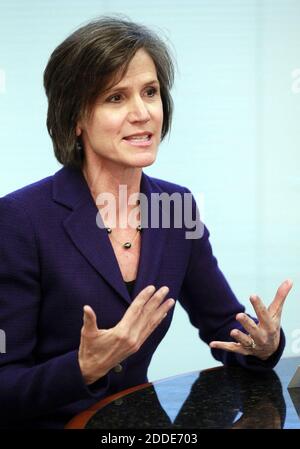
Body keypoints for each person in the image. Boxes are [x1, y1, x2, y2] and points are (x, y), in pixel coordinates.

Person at [0, 16, 292, 429]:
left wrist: (262, 345)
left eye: (150, 92)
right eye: (115, 98)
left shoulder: (174, 207)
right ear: (75, 117)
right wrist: (83, 368)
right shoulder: (20, 220)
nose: (142, 113)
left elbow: (224, 327)